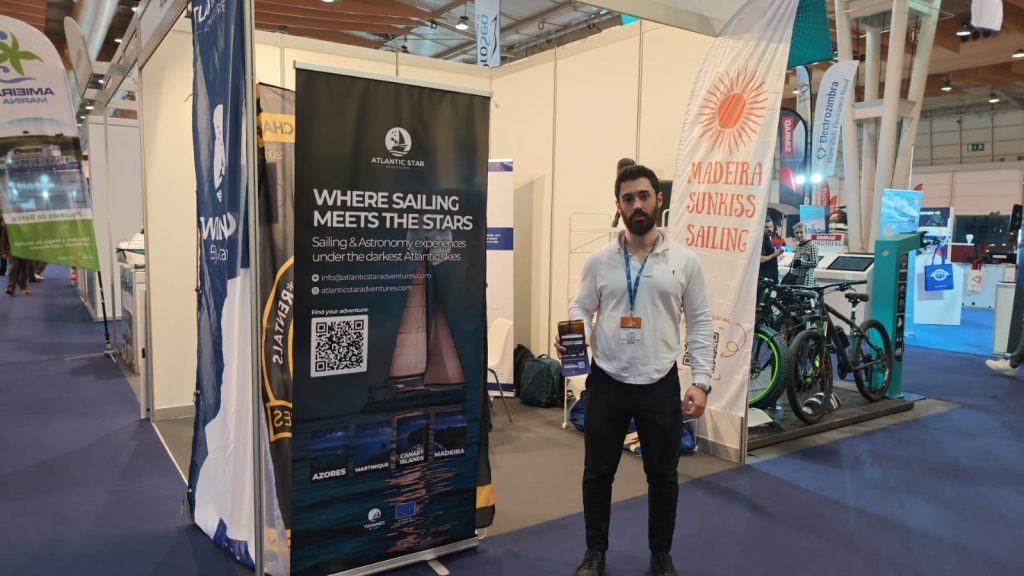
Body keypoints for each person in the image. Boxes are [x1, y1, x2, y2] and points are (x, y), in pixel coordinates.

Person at [555, 164, 715, 576]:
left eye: (644, 196)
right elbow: (581, 306)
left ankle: (661, 556)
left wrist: (701, 381)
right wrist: (575, 335)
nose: (637, 205)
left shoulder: (685, 261)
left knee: (663, 478)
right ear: (619, 205)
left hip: (659, 383)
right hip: (607, 381)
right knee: (597, 474)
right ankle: (595, 552)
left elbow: (700, 322)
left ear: (658, 199)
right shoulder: (599, 261)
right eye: (628, 199)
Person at [789, 222, 819, 286]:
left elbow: (815, 263)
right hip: (795, 278)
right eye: (797, 233)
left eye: (801, 232)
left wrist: (800, 263)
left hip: (805, 281)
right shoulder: (799, 245)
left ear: (806, 232)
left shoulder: (811, 246)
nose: (799, 235)